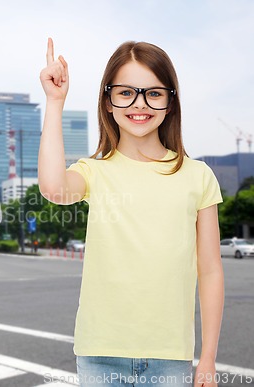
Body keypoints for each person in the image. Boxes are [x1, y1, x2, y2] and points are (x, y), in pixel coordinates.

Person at [38, 38, 223, 387]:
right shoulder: (94, 171)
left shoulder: (198, 176)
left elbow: (211, 271)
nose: (139, 104)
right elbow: (52, 187)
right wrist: (54, 101)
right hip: (100, 352)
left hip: (170, 357)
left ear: (170, 102)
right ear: (108, 101)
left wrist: (208, 359)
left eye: (154, 93)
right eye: (125, 93)